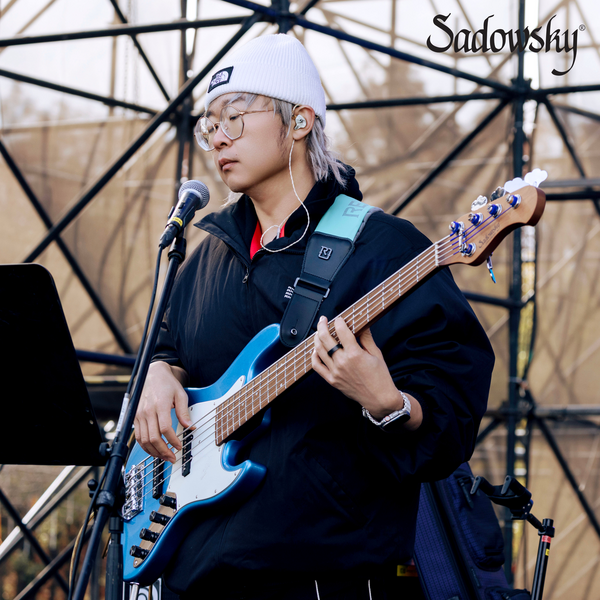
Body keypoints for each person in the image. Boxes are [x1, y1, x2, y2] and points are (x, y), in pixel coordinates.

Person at [135, 33, 494, 600]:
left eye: (236, 117)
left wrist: (388, 403)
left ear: (300, 122)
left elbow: (453, 410)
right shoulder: (206, 257)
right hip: (194, 574)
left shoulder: (384, 249)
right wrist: (158, 372)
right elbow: (169, 345)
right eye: (211, 125)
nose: (219, 136)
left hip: (324, 579)